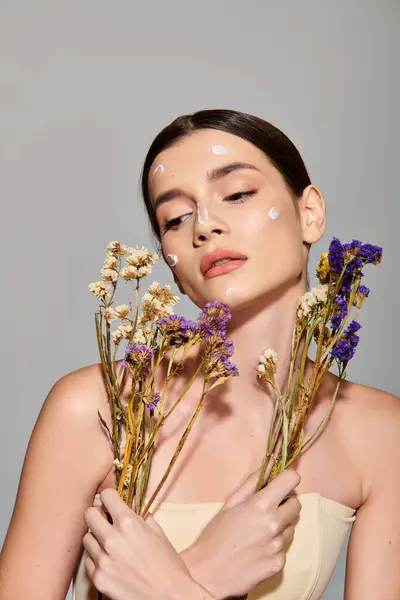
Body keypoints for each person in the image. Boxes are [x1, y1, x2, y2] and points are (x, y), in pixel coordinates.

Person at [0, 109, 399, 600]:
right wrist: (208, 570)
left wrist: (178, 590)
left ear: (310, 212)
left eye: (237, 194)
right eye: (176, 218)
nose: (205, 226)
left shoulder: (379, 432)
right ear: (169, 261)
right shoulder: (98, 407)